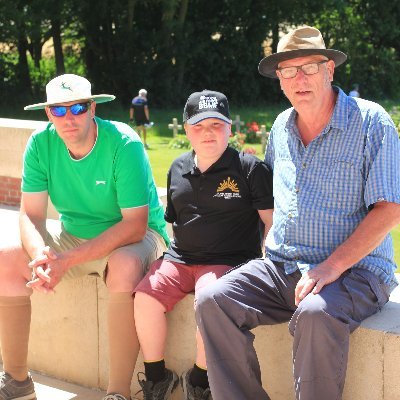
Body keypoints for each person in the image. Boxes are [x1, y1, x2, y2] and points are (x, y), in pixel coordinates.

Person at [196, 26, 400, 400]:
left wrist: (332, 267)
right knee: (213, 301)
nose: (299, 78)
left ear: (329, 70)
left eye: (309, 67)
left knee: (315, 315)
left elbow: (390, 210)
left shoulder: (371, 123)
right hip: (285, 266)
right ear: (279, 79)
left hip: (356, 272)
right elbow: (271, 203)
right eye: (288, 71)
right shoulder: (280, 126)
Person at [0, 74, 169, 400]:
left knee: (122, 265)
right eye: (58, 111)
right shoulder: (40, 143)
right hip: (74, 236)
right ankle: (17, 381)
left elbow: (135, 225)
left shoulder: (124, 143)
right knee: (7, 259)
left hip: (136, 237)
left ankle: (118, 393)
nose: (69, 118)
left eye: (77, 107)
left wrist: (66, 260)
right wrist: (41, 257)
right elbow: (29, 215)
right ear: (48, 114)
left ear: (92, 108)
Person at [133, 90, 274, 400]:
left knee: (209, 300)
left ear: (230, 128)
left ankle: (200, 380)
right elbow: (174, 218)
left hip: (227, 261)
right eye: (199, 126)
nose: (207, 133)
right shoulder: (177, 168)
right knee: (144, 297)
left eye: (216, 124)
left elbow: (271, 221)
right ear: (187, 130)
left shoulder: (250, 169)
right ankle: (157, 378)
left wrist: (267, 264)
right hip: (179, 259)